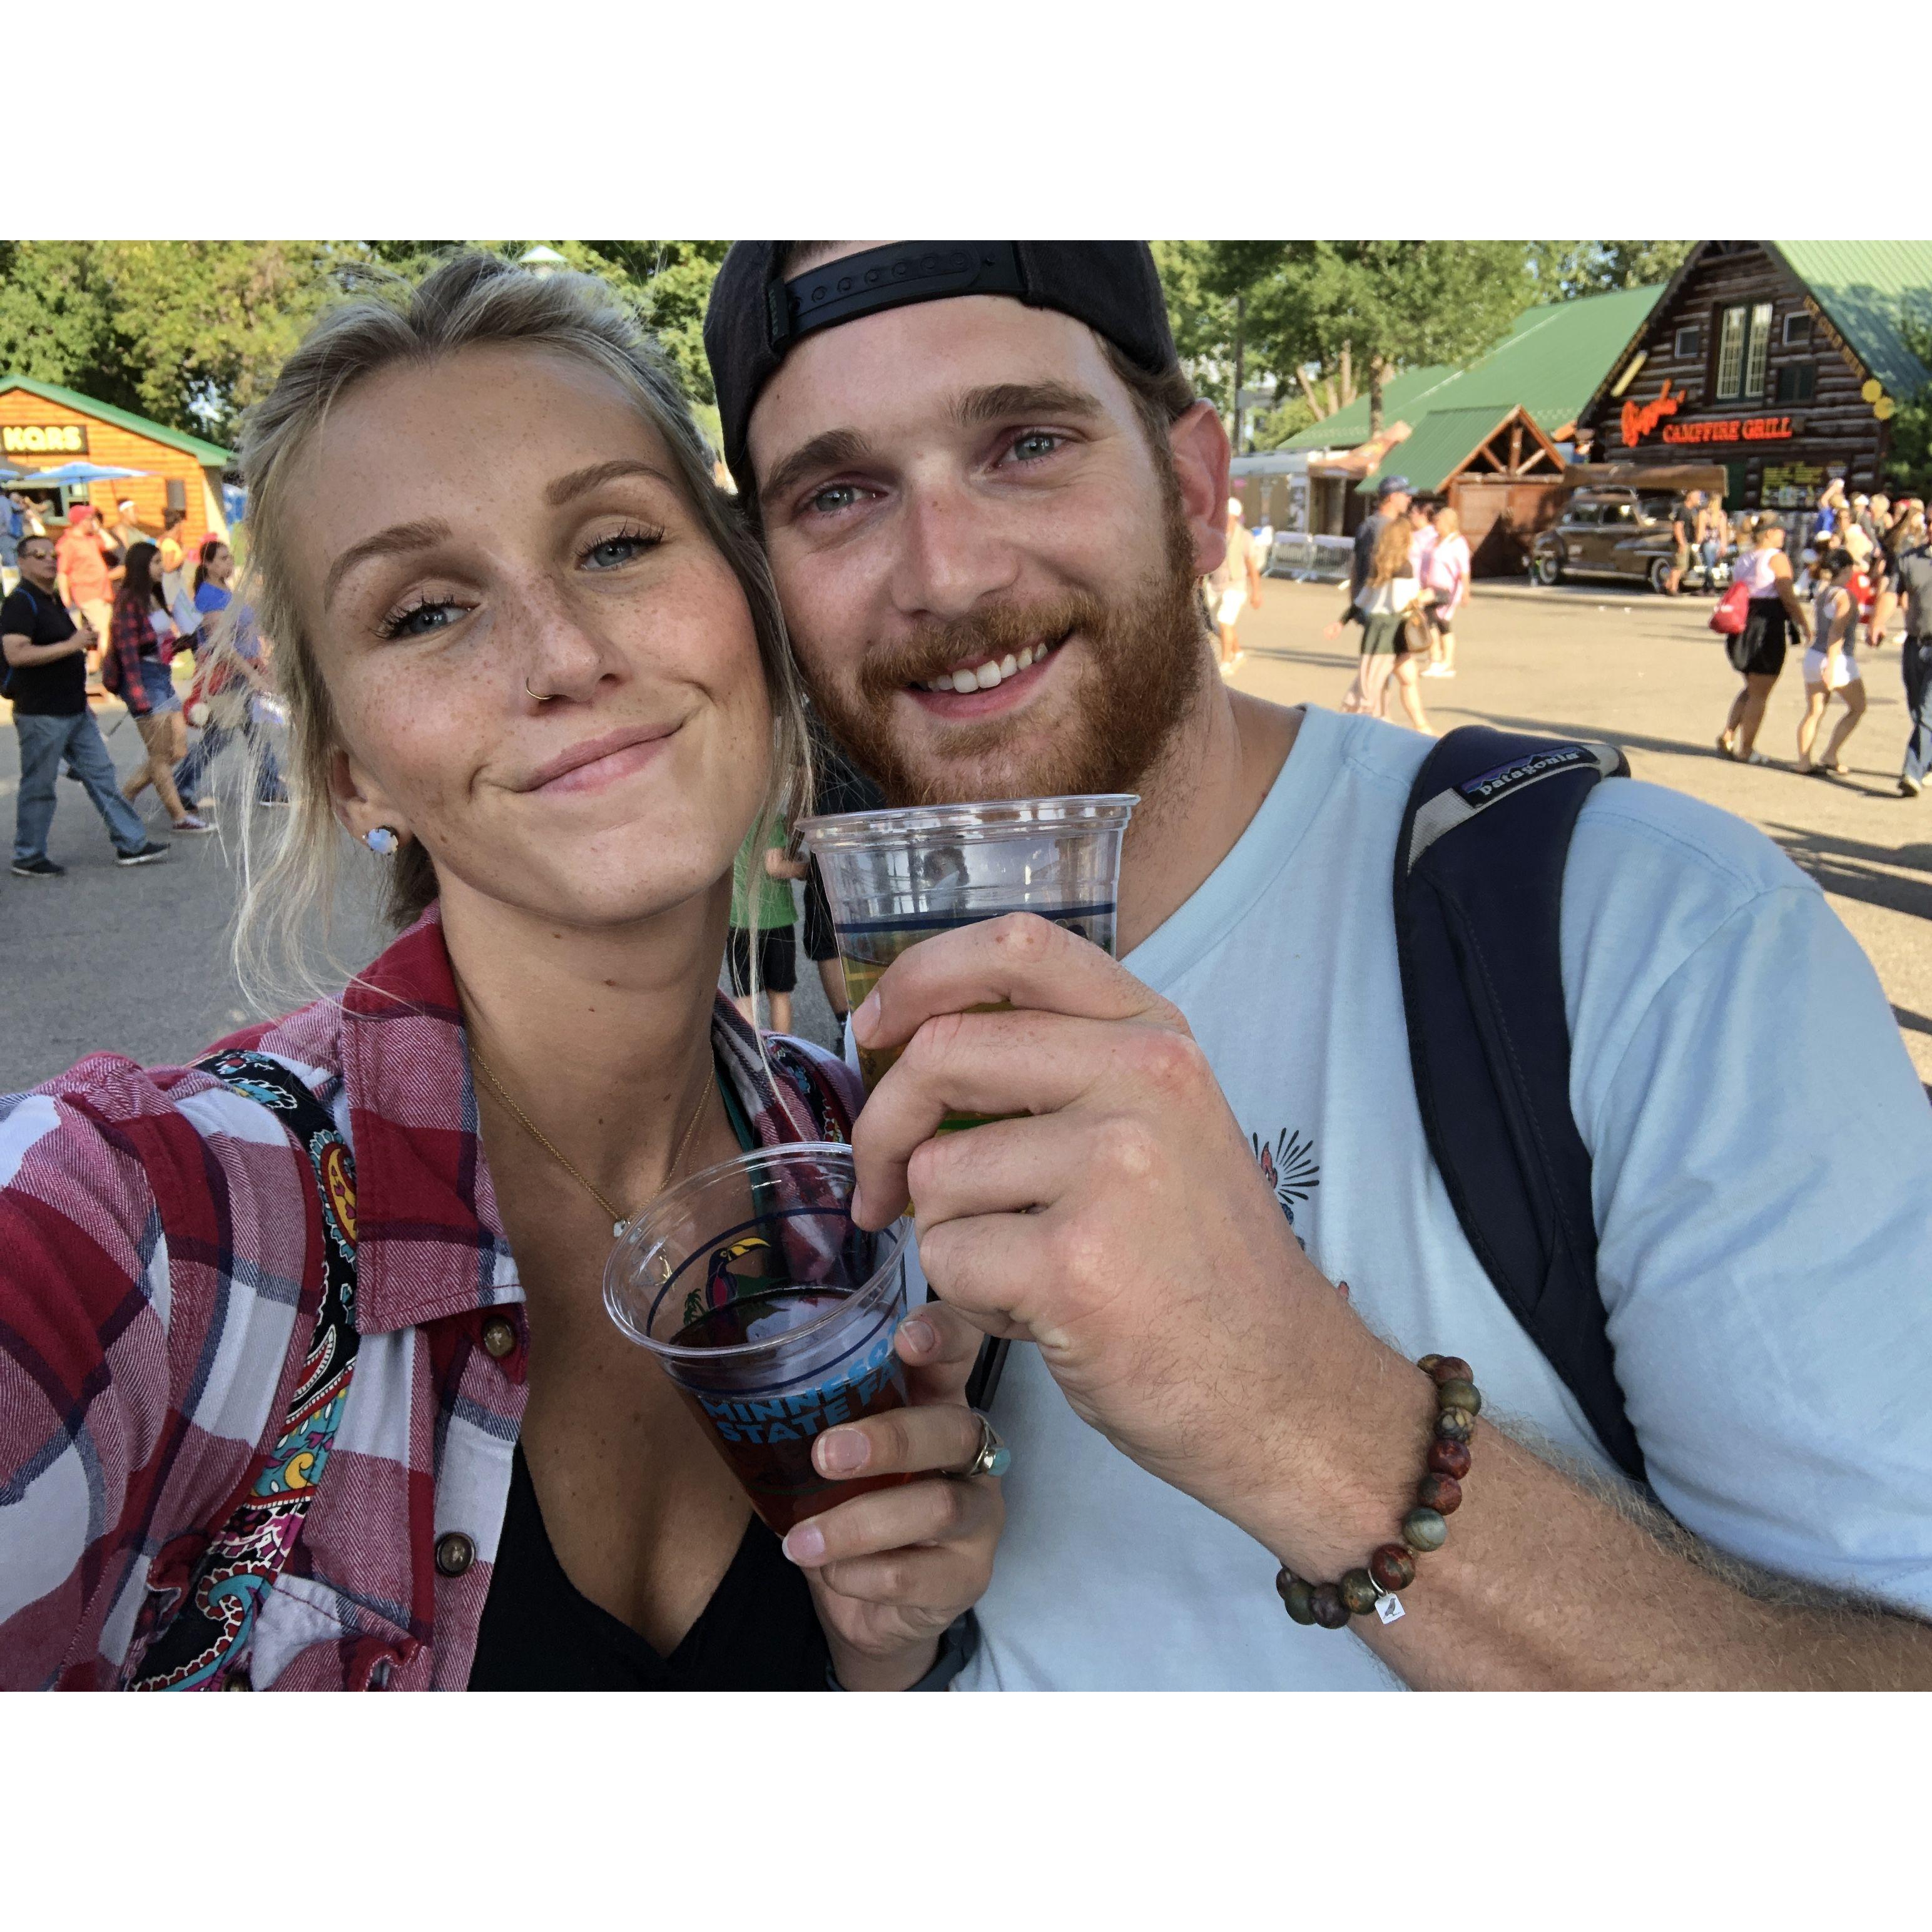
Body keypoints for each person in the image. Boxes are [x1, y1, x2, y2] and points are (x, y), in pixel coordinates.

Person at [706, 237, 1932, 1690]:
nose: (945, 572)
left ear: (1194, 485)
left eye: (1026, 443)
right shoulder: (839, 1044)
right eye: (839, 494)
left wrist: (1292, 1409)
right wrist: (892, 1642)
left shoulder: (1647, 935)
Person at [0, 253, 1001, 1692]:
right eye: (424, 611)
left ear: (752, 607)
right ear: (352, 771)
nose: (563, 655)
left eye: (615, 544)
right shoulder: (150, 1230)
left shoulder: (861, 1174)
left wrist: (880, 1647)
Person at [3, 532, 170, 877]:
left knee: (102, 775)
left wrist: (82, 692)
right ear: (22, 562)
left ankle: (131, 843)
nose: (49, 559)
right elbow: (16, 653)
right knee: (40, 785)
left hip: (74, 709)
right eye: (38, 555)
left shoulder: (52, 600)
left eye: (52, 554)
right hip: (41, 711)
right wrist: (72, 644)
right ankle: (28, 854)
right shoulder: (21, 602)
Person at [171, 537, 290, 808]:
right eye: (223, 558)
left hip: (242, 670)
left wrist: (261, 664)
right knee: (220, 736)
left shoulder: (225, 591)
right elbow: (222, 646)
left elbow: (245, 633)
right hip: (226, 675)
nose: (230, 563)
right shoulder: (209, 597)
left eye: (229, 557)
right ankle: (180, 785)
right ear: (208, 565)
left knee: (255, 730)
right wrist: (251, 673)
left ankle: (269, 787)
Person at [105, 540, 211, 835]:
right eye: (154, 563)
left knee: (176, 750)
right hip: (141, 679)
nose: (161, 568)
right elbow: (128, 653)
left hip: (162, 675)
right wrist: (138, 694)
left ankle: (121, 799)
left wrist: (182, 643)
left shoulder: (154, 596)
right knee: (160, 753)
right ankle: (179, 817)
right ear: (140, 566)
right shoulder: (128, 600)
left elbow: (157, 644)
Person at [1326, 514, 1431, 732]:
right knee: (1371, 684)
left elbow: (1362, 600)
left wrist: (1342, 622)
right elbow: (1401, 603)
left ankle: (1419, 725)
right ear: (1405, 539)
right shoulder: (1404, 567)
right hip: (1389, 630)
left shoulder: (1380, 565)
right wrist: (1426, 596)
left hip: (1379, 628)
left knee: (1402, 677)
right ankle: (1350, 724)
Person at [1717, 521, 1811, 765]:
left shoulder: (1744, 559)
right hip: (1766, 626)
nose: (1784, 535)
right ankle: (1746, 749)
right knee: (1760, 692)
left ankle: (1729, 734)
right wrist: (1803, 623)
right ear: (1770, 533)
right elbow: (1787, 595)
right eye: (1781, 530)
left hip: (1744, 622)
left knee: (1751, 687)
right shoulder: (1776, 558)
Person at [727, 811, 802, 1035]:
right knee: (779, 994)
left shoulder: (732, 814)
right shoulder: (769, 817)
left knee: (746, 996)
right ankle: (782, 1051)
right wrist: (805, 869)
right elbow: (775, 866)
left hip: (739, 918)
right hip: (776, 918)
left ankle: (750, 1054)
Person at [1796, 551, 1866, 775]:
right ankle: (1830, 753)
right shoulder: (1845, 596)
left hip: (1814, 656)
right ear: (1846, 570)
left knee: (1814, 711)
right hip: (1836, 658)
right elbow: (1838, 632)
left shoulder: (1824, 592)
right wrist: (1832, 665)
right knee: (1858, 707)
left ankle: (1804, 761)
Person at [1896, 520, 1932, 798]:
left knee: (1927, 711)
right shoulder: (1911, 559)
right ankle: (1927, 762)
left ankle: (1912, 772)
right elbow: (1894, 593)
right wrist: (1877, 623)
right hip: (1915, 642)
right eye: (1929, 522)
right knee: (1916, 707)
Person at [1206, 496, 1261, 671]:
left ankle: (1225, 662)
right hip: (1215, 585)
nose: (1225, 518)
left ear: (1235, 517)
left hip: (1235, 586)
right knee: (1216, 625)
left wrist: (1256, 592)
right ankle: (1237, 653)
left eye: (1229, 515)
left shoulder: (1244, 537)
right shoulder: (1214, 533)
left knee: (1224, 621)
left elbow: (1252, 568)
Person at [53, 502, 117, 650]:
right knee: (104, 630)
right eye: (91, 519)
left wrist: (99, 528)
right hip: (87, 592)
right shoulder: (68, 543)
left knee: (102, 630)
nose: (94, 522)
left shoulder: (90, 539)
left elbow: (111, 544)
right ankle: (108, 664)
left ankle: (100, 663)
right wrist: (65, 597)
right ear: (81, 522)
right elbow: (62, 572)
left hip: (102, 592)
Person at [1416, 502, 1470, 677]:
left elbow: (1464, 570)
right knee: (1441, 624)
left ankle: (1440, 660)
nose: (1435, 525)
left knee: (1431, 619)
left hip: (1446, 589)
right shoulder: (1434, 541)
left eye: (1438, 522)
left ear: (1448, 523)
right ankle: (1439, 660)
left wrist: (1466, 592)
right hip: (1430, 586)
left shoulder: (1457, 543)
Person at [1351, 475, 1411, 601]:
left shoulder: (1366, 525)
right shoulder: (1391, 529)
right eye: (1405, 495)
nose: (1409, 499)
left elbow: (1355, 566)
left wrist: (1355, 603)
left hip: (1364, 599)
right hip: (1383, 602)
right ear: (1393, 497)